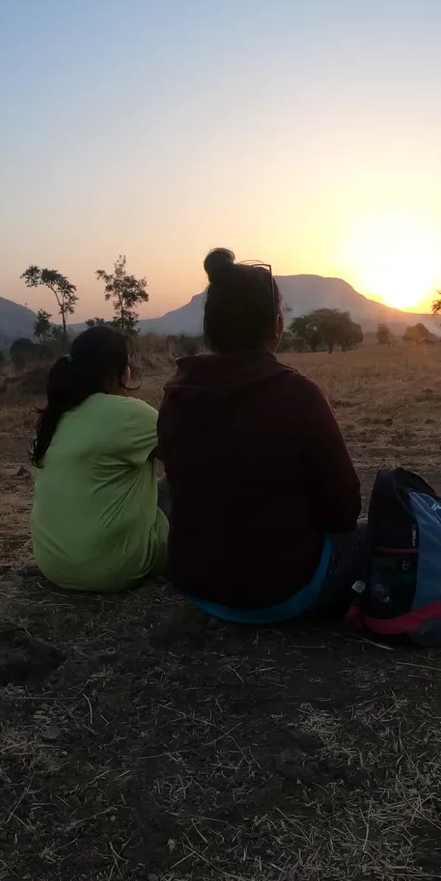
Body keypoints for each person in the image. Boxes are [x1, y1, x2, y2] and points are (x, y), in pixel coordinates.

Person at [156, 247, 365, 622]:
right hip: (284, 591)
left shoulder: (176, 394)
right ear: (277, 325)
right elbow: (345, 510)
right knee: (378, 535)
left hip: (197, 587)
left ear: (208, 331)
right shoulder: (298, 394)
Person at [29, 325, 169, 592]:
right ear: (119, 371)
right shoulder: (129, 414)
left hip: (54, 566)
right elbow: (192, 455)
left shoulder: (58, 414)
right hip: (116, 567)